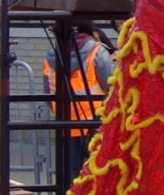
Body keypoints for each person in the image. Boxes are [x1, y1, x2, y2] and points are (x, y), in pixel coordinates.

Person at [43, 20, 114, 183]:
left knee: (71, 175)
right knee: (96, 172)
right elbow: (111, 85)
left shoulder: (51, 57)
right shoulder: (97, 51)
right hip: (94, 122)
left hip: (65, 123)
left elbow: (48, 92)